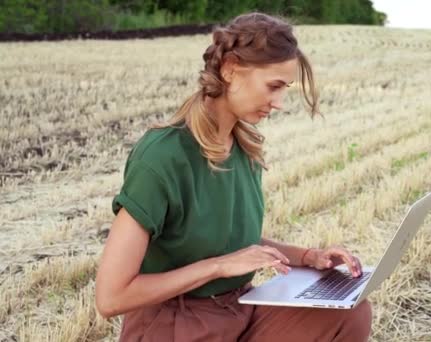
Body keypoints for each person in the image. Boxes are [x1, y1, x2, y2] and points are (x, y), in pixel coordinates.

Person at [95, 12, 373, 342]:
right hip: (175, 325)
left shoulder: (243, 147)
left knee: (349, 312)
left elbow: (226, 240)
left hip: (239, 311)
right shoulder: (162, 156)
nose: (280, 103)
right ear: (229, 68)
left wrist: (309, 258)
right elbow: (111, 297)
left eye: (285, 89)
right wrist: (218, 266)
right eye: (273, 87)